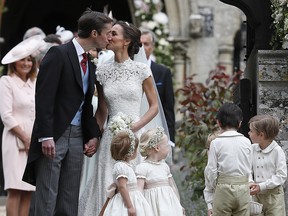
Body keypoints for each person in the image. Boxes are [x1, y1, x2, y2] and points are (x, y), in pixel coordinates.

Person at [22, 8, 113, 216]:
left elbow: (85, 104)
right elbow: (44, 98)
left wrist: (92, 135)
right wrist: (46, 136)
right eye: (108, 32)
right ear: (94, 34)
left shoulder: (89, 62)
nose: (110, 37)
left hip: (78, 137)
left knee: (69, 198)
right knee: (47, 197)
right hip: (54, 135)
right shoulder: (58, 54)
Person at [78, 20, 159, 215]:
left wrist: (134, 127)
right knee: (108, 183)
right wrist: (95, 136)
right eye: (109, 33)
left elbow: (154, 106)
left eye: (114, 33)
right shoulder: (102, 72)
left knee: (135, 183)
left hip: (135, 138)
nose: (109, 37)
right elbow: (102, 111)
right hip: (110, 141)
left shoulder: (141, 70)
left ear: (127, 41)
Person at [0, 35, 43, 216]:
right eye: (22, 60)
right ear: (14, 63)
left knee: (28, 189)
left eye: (29, 60)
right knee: (15, 189)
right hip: (14, 140)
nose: (26, 63)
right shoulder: (6, 82)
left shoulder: (35, 83)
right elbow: (6, 116)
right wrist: (25, 138)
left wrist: (34, 140)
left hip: (33, 140)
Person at [204, 103, 252, 216]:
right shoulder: (246, 142)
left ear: (218, 122)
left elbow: (211, 169)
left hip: (223, 187)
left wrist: (218, 185)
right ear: (240, 123)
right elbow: (248, 167)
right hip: (243, 187)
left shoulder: (216, 143)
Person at [102, 130, 154, 216]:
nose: (137, 152)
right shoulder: (120, 167)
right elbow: (122, 187)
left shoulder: (126, 166)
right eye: (135, 149)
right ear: (130, 153)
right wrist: (129, 206)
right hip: (126, 201)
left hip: (134, 198)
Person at [136, 127, 184, 216]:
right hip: (152, 209)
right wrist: (141, 210)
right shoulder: (142, 168)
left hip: (170, 208)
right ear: (157, 148)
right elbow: (139, 191)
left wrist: (178, 205)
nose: (169, 148)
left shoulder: (164, 166)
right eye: (166, 145)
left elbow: (173, 187)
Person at [140, 28, 176, 142]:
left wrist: (170, 138)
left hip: (156, 128)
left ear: (152, 47)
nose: (142, 47)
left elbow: (168, 106)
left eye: (146, 44)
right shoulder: (128, 70)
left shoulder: (163, 72)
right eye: (139, 44)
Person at [249, 115, 287, 215]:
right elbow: (247, 169)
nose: (249, 133)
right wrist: (250, 183)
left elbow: (281, 176)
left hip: (274, 196)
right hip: (256, 195)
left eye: (251, 131)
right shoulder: (252, 149)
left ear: (261, 135)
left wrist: (261, 186)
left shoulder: (277, 151)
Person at [203, 130, 221, 216]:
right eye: (208, 148)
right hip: (216, 207)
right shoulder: (208, 169)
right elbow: (208, 189)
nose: (210, 151)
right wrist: (209, 206)